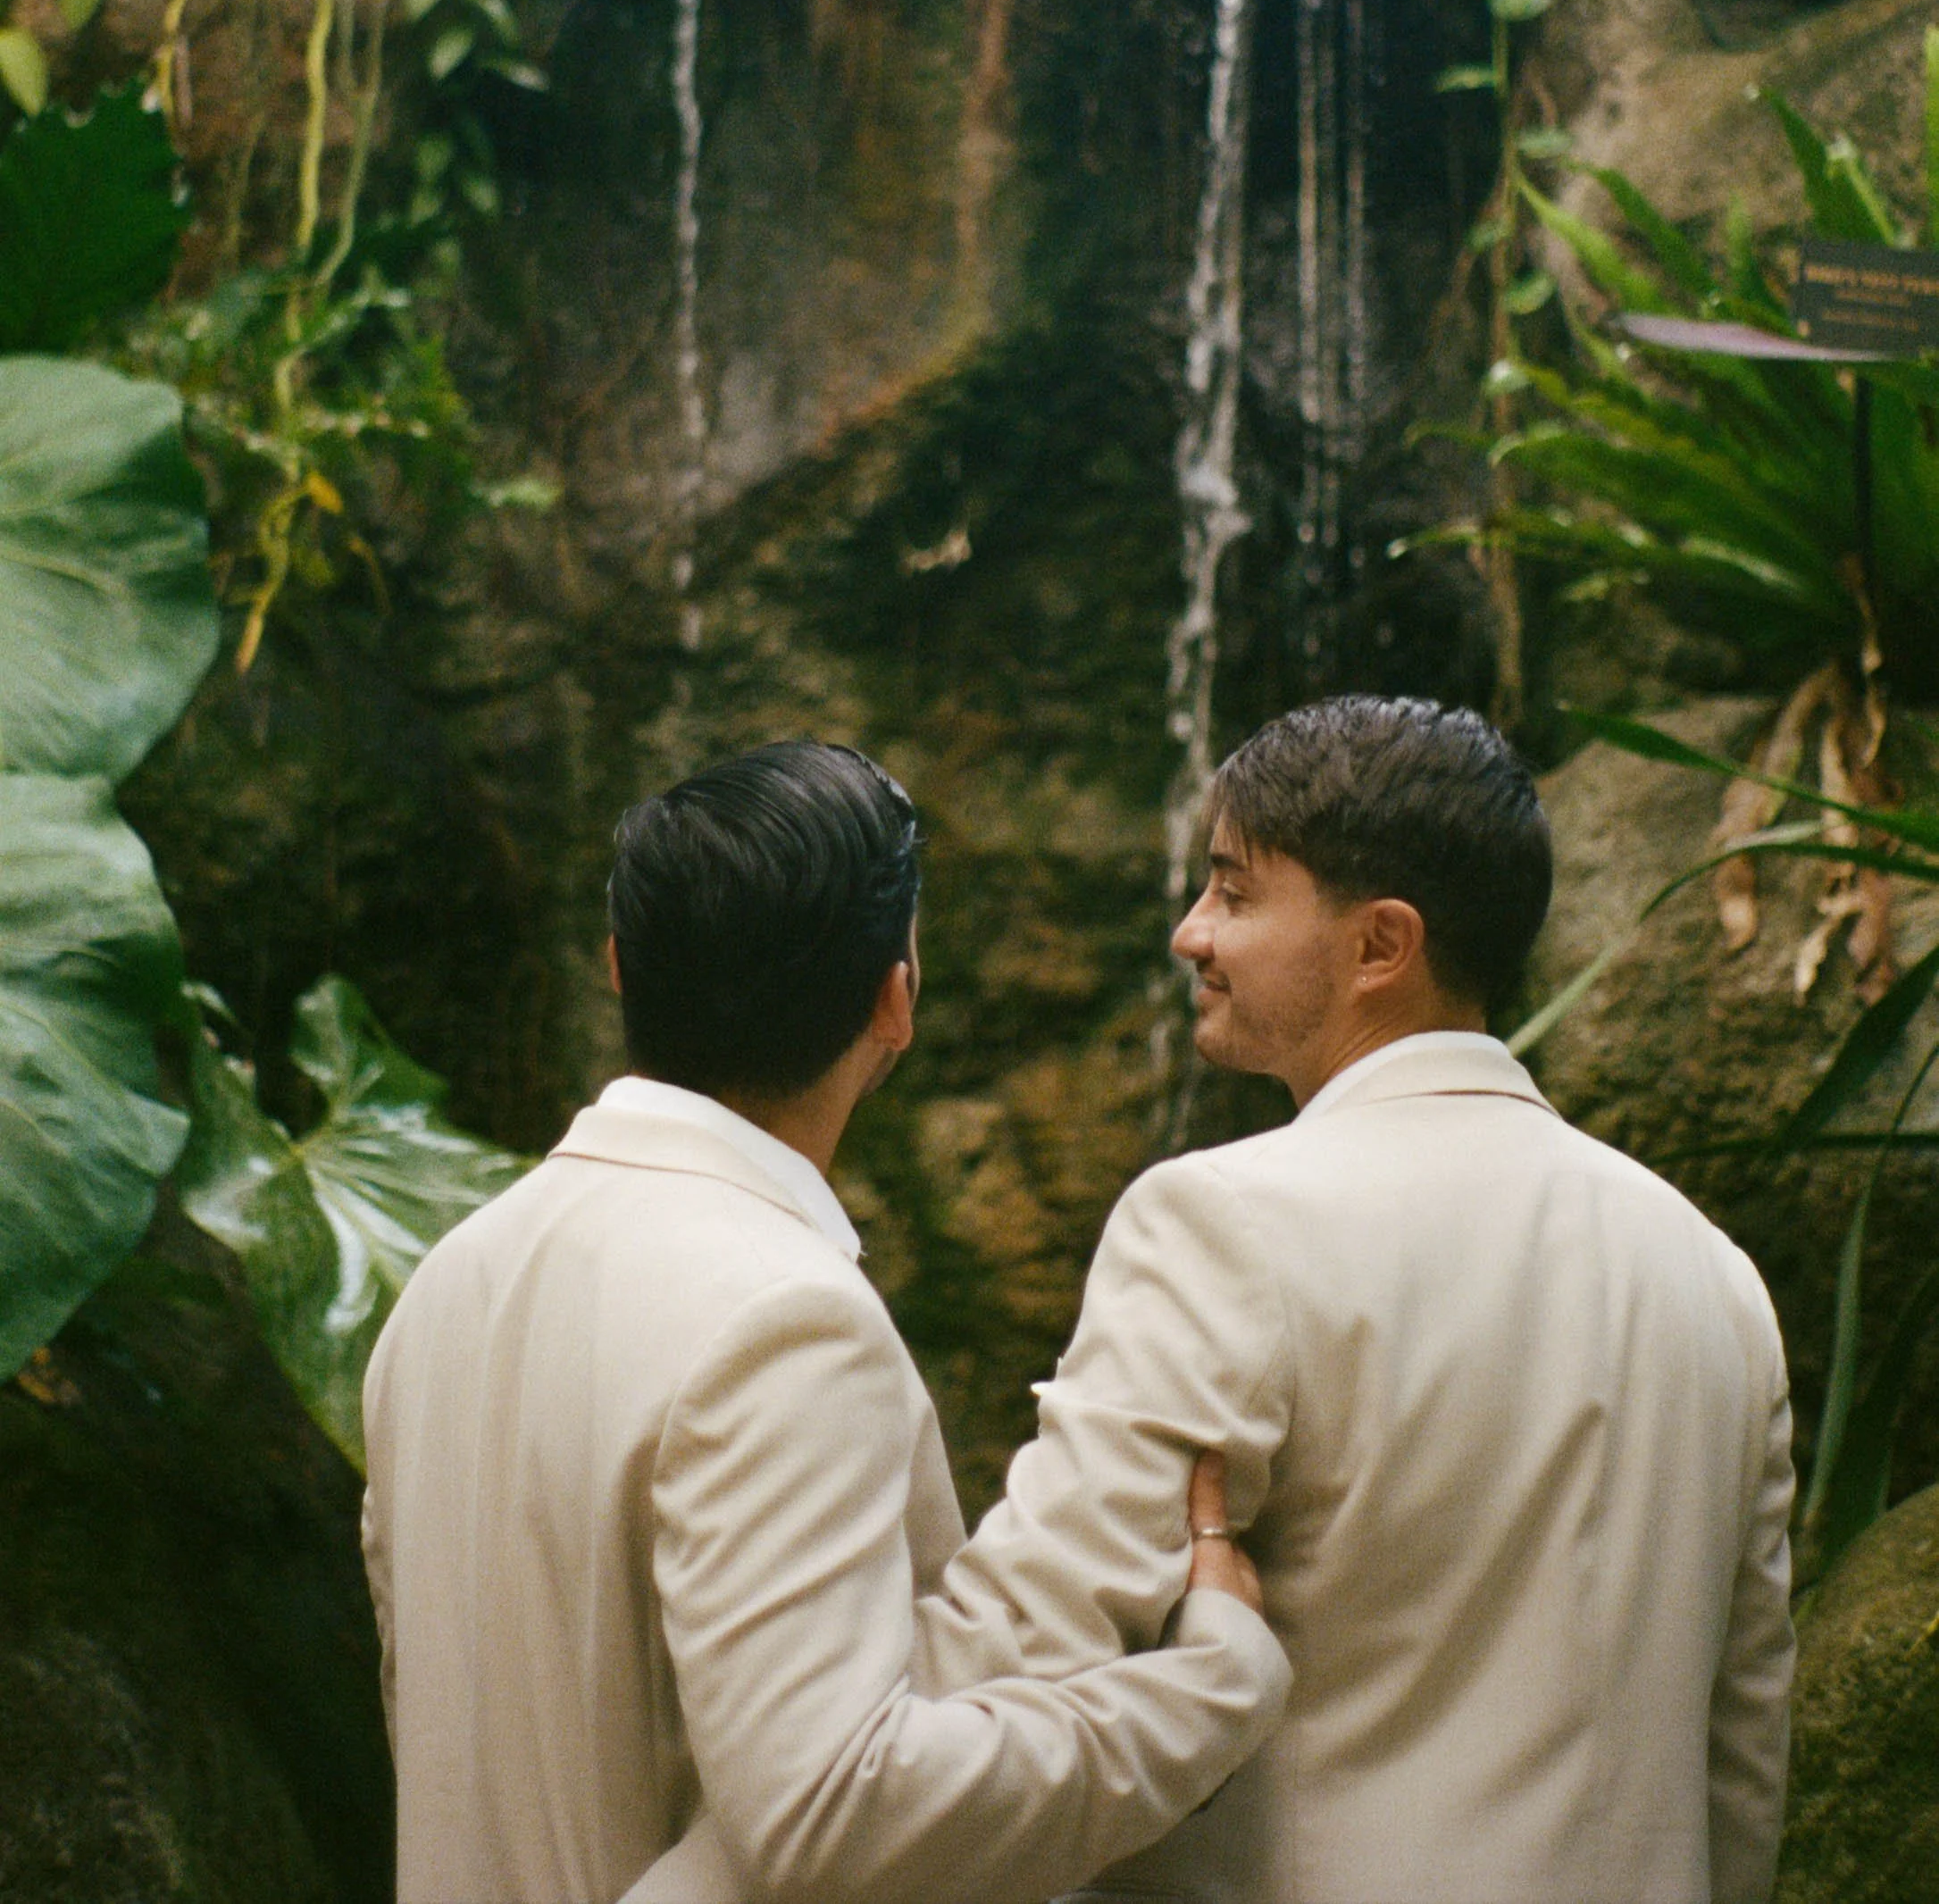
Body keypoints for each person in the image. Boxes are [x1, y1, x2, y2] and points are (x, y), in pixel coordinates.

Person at [361, 739, 1290, 1904]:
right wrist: (1210, 1686)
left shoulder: (447, 1281)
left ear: (617, 966)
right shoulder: (779, 1315)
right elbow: (835, 1811)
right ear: (892, 1000)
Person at [932, 695, 1796, 1904]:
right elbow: (1741, 1755)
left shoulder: (1222, 1223)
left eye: (1233, 892)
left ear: (1380, 944)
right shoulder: (1711, 1272)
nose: (1189, 933)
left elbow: (1027, 1647)